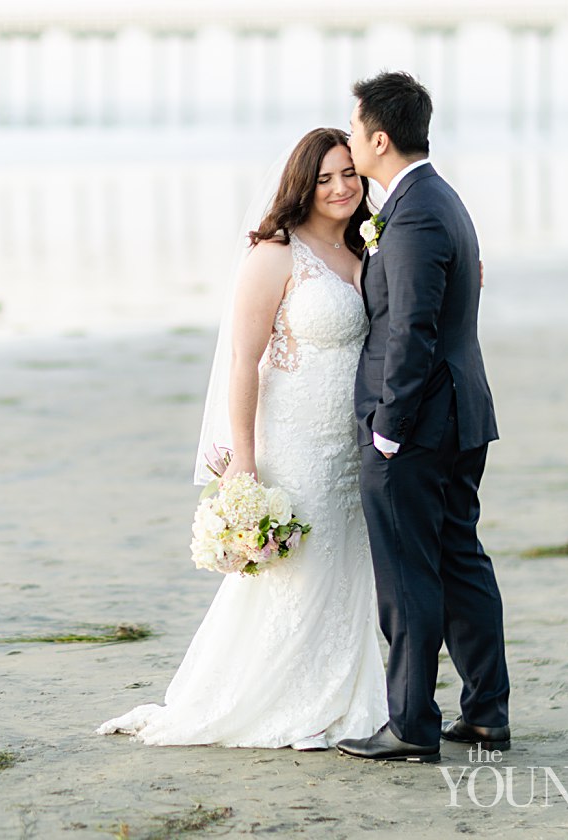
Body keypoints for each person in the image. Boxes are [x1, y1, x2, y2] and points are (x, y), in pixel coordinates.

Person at [96, 128, 388, 750]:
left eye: (349, 174)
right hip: (295, 443)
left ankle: (344, 695)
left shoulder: (367, 253)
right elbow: (243, 362)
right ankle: (281, 698)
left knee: (347, 569)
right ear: (302, 186)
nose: (340, 188)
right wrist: (245, 463)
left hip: (350, 444)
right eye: (325, 177)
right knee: (300, 573)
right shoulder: (275, 255)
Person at [335, 72, 511, 764]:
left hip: (417, 426)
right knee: (460, 562)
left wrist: (387, 428)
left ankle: (410, 721)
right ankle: (486, 714)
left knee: (408, 574)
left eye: (354, 130)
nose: (351, 142)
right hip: (459, 413)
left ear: (379, 138)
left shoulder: (413, 215)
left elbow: (411, 331)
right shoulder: (439, 200)